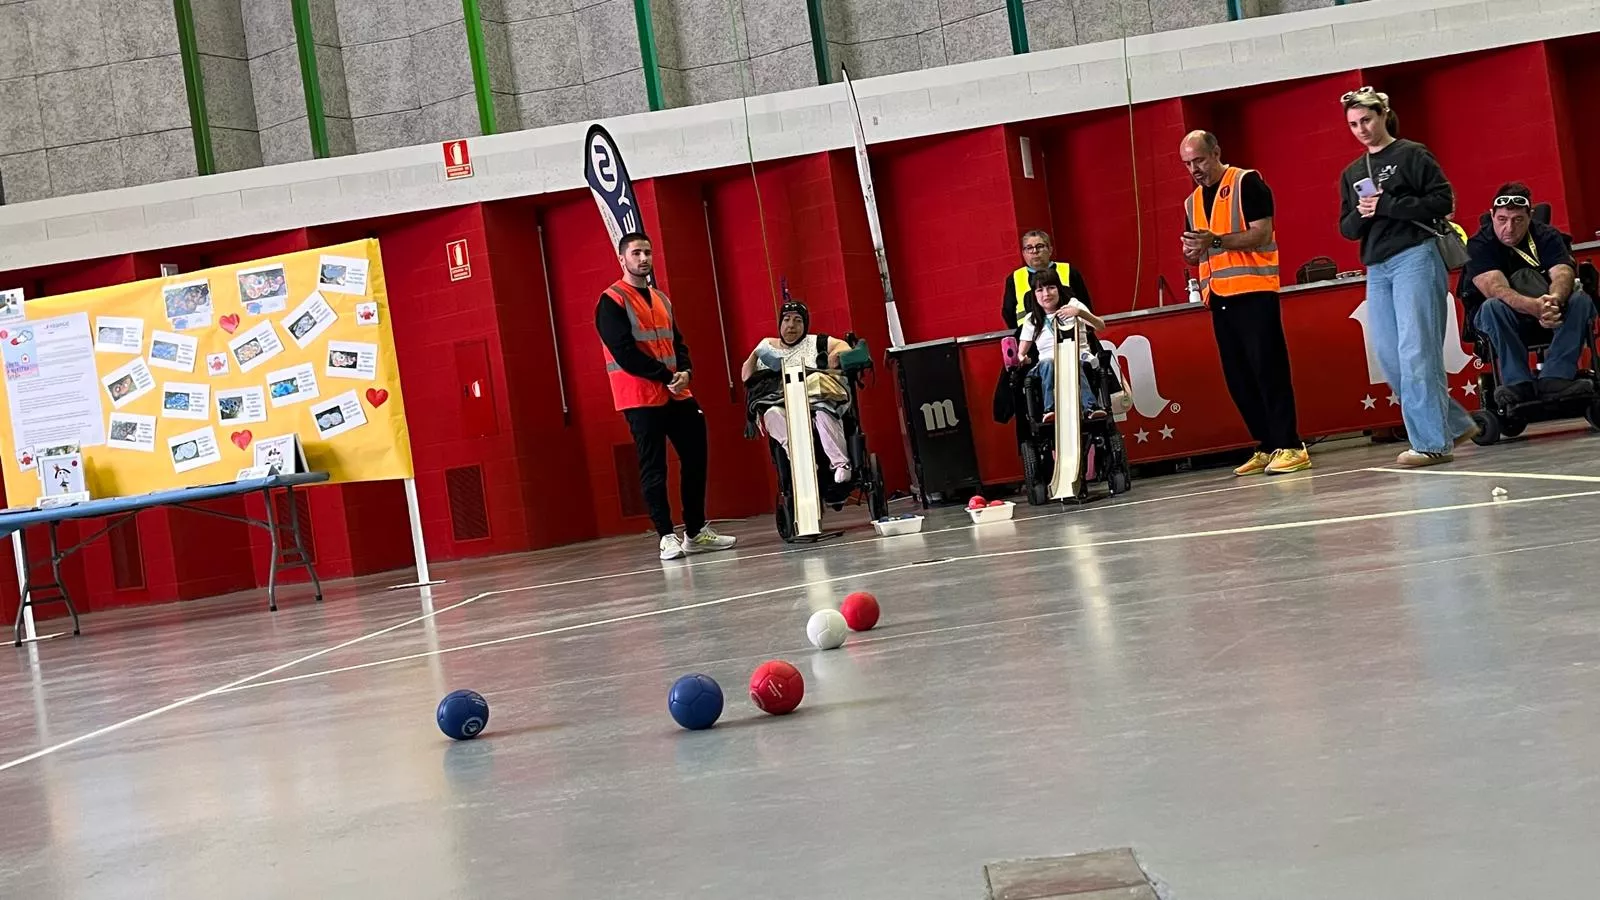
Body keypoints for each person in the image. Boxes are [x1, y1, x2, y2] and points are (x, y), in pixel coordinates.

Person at [1337, 87, 1477, 467]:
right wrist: (1364, 213)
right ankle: (1452, 422)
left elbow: (1442, 201)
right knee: (1390, 356)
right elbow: (1347, 228)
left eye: (1367, 120)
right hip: (1377, 266)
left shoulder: (1411, 154)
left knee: (1417, 350)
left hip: (1415, 254)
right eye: (1353, 124)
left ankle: (1432, 443)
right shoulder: (1352, 172)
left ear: (1383, 115)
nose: (1361, 129)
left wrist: (1389, 204)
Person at [595, 232, 737, 560]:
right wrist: (665, 375)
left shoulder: (661, 298)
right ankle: (665, 536)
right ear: (622, 259)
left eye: (647, 252)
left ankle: (695, 531)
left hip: (677, 392)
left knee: (696, 455)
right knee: (653, 467)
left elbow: (678, 342)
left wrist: (685, 371)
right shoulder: (611, 301)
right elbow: (624, 352)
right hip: (641, 397)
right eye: (635, 253)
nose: (643, 258)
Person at [1178, 130, 1310, 476]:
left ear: (1216, 152)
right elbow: (1199, 250)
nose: (1195, 169)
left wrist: (1216, 241)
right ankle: (1267, 444)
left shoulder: (1246, 182)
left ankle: (1291, 444)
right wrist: (1192, 252)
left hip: (1254, 290)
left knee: (1269, 370)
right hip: (1218, 297)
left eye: (1200, 160)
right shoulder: (1191, 203)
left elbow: (1262, 233)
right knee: (1238, 378)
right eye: (1188, 164)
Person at [1460, 182, 1597, 407]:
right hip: (1505, 315)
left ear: (1530, 216)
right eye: (1502, 220)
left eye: (1518, 220)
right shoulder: (1479, 244)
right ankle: (1517, 382)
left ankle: (1556, 376)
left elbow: (1563, 272)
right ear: (1492, 215)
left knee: (1581, 299)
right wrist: (1535, 307)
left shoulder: (1547, 235)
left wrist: (1554, 301)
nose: (1509, 229)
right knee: (1493, 305)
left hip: (1548, 310)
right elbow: (1496, 288)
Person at [741, 299, 855, 483]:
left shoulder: (816, 342)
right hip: (785, 405)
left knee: (823, 412)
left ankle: (841, 463)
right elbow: (746, 377)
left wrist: (837, 354)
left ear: (805, 324)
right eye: (786, 320)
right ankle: (801, 460)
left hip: (815, 403)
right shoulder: (768, 347)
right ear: (780, 323)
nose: (791, 326)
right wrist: (755, 353)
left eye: (798, 320)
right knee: (772, 414)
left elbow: (843, 346)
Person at [1016, 268, 1106, 424]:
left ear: (1059, 288)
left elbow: (1100, 326)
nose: (1046, 294)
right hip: (1048, 364)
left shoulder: (1073, 305)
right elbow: (1021, 352)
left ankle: (1090, 408)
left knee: (1072, 361)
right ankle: (1050, 410)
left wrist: (1079, 313)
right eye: (1040, 290)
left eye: (1051, 287)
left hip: (1078, 358)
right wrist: (1021, 358)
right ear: (1034, 294)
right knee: (1048, 363)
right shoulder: (1032, 319)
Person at [1002, 230, 1092, 332]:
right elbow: (1008, 313)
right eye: (1029, 248)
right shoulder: (1014, 278)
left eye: (1040, 246)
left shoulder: (1069, 271)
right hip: (1031, 339)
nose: (1035, 251)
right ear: (1023, 253)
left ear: (1050, 250)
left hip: (1071, 334)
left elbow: (1085, 304)